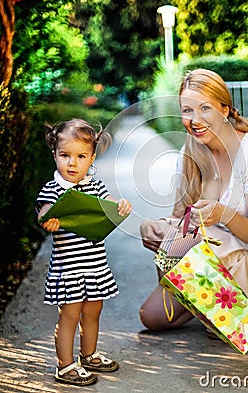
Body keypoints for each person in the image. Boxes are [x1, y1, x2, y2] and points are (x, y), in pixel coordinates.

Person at [139, 68, 248, 343]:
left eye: (205, 108)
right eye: (187, 110)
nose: (195, 120)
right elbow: (181, 220)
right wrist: (155, 227)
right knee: (152, 317)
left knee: (224, 329)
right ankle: (243, 299)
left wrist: (222, 213)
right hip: (219, 248)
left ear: (225, 109)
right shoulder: (189, 152)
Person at [36, 118, 132, 386]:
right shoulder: (52, 189)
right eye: (65, 155)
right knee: (69, 316)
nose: (72, 163)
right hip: (69, 270)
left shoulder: (95, 185)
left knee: (93, 312)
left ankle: (88, 355)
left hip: (95, 267)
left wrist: (121, 205)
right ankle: (65, 366)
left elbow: (109, 204)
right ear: (54, 155)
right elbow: (43, 212)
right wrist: (48, 220)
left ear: (92, 158)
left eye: (81, 156)